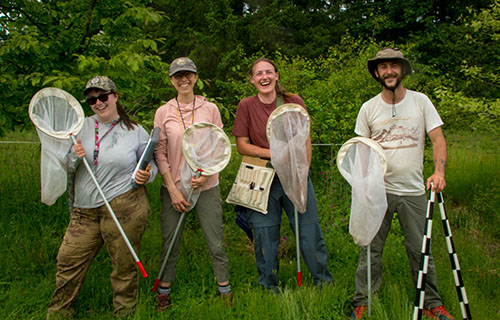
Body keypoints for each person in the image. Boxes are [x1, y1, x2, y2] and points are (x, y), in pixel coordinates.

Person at [350, 48, 453, 320]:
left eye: (394, 66)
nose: (389, 71)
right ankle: (364, 302)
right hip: (377, 192)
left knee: (421, 250)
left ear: (403, 70)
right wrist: (362, 186)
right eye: (383, 67)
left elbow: (438, 139)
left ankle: (431, 303)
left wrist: (438, 172)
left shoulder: (421, 102)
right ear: (376, 73)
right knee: (370, 250)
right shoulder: (368, 108)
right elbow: (361, 149)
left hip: (414, 191)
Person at [47, 76, 158, 319]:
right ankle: (58, 313)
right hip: (84, 211)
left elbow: (151, 164)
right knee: (68, 262)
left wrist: (145, 175)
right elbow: (66, 165)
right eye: (92, 99)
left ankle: (124, 313)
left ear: (115, 96)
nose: (98, 103)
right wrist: (75, 156)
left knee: (124, 266)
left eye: (103, 96)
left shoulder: (135, 131)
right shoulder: (79, 127)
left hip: (124, 206)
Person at [232, 57, 332, 293]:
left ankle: (324, 284)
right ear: (252, 80)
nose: (264, 77)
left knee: (308, 231)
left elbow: (305, 137)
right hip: (261, 178)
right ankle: (269, 288)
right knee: (265, 236)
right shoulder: (246, 106)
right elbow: (243, 146)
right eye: (258, 74)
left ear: (276, 75)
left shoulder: (293, 101)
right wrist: (274, 154)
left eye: (269, 72)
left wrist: (303, 170)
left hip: (295, 175)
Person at [153, 57, 232, 311]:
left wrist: (207, 175)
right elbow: (160, 153)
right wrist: (173, 189)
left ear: (196, 77)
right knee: (170, 242)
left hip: (206, 186)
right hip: (174, 188)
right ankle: (163, 292)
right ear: (171, 80)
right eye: (178, 76)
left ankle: (225, 291)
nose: (183, 79)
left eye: (188, 74)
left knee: (215, 240)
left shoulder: (210, 109)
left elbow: (219, 145)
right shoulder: (163, 112)